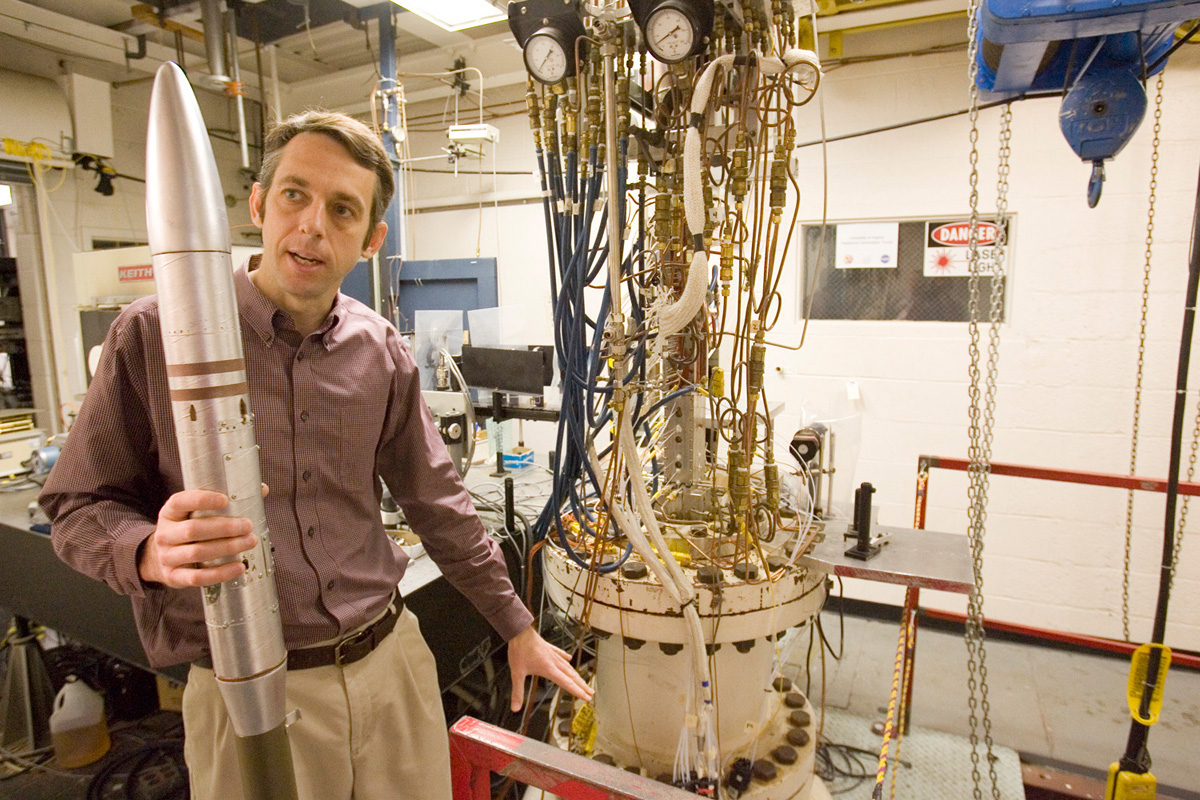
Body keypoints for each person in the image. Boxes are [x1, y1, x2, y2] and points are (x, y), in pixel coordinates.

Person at [39, 110, 592, 800]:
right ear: (259, 204)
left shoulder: (381, 351)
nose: (312, 226)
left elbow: (439, 503)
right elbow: (74, 506)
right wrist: (148, 550)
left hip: (391, 670)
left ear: (370, 239)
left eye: (342, 209)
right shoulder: (155, 334)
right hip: (252, 694)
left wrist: (517, 626)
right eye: (295, 195)